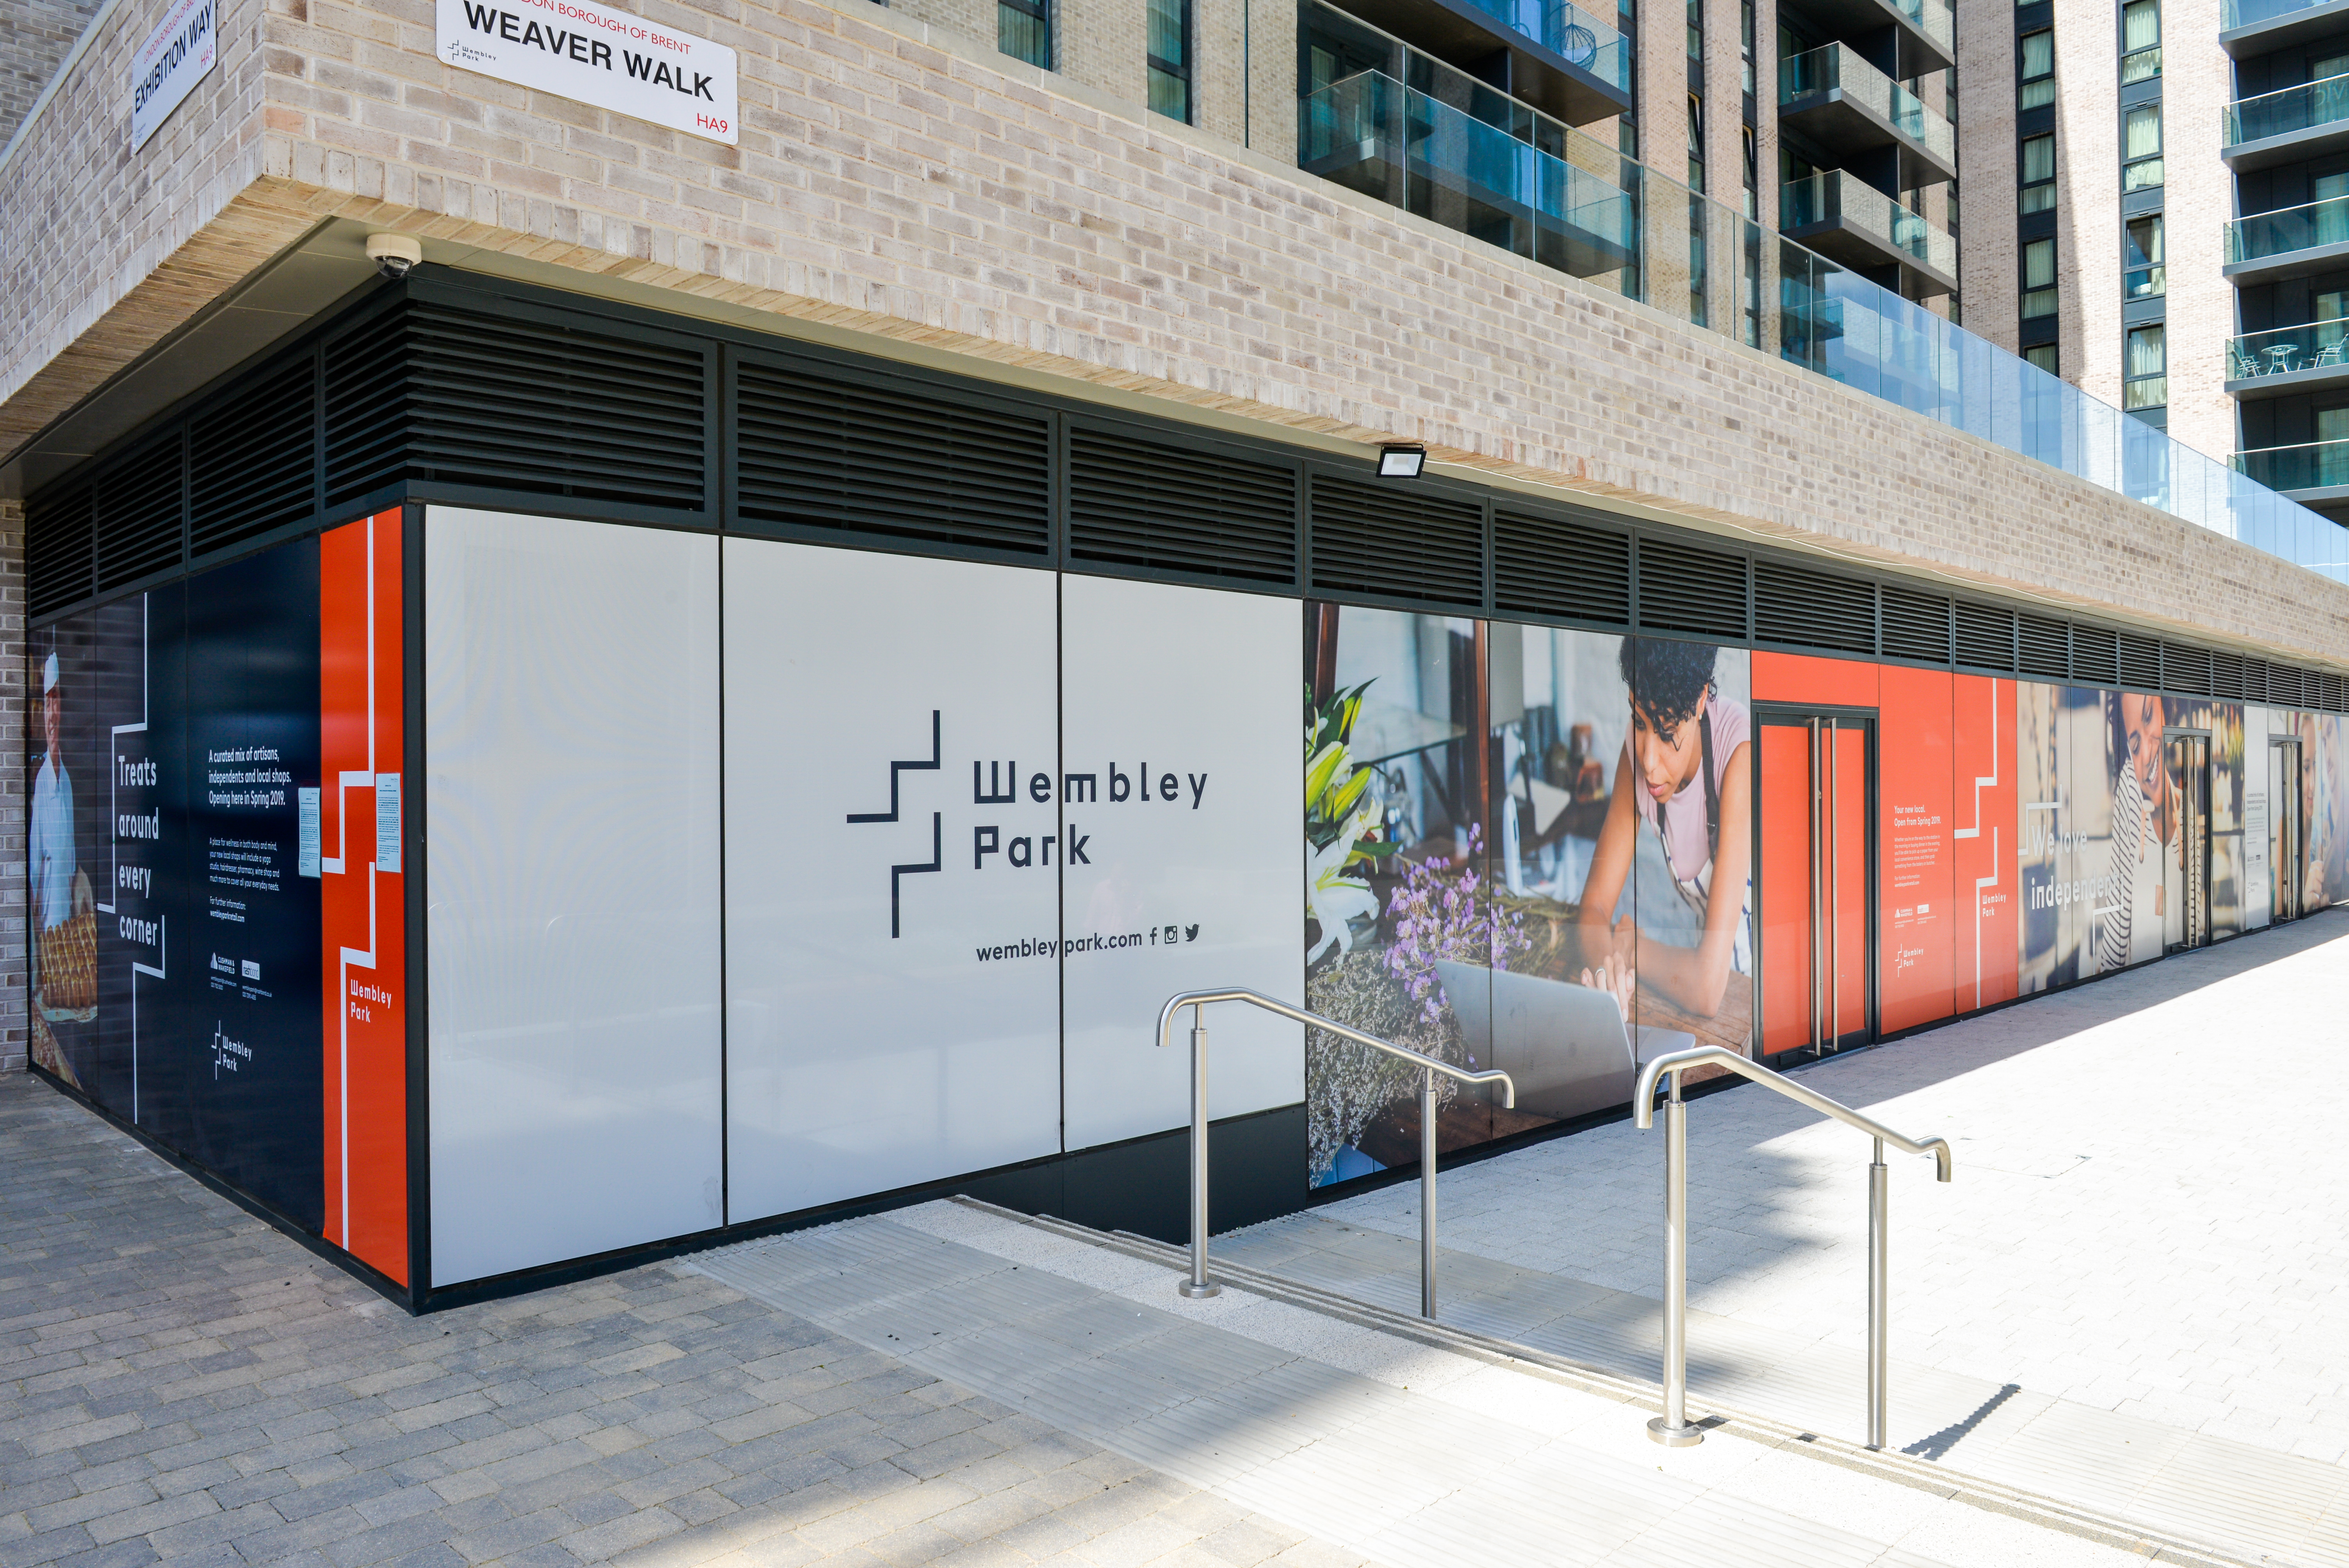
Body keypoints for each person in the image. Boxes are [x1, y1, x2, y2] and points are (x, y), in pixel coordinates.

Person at [1574, 640, 1753, 1019]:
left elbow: (1705, 989)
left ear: (1702, 699)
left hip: (1770, 989)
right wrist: (1609, 972)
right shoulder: (1638, 757)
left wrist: (1632, 948)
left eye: (1668, 730)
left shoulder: (1737, 753)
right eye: (1640, 722)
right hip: (1704, 979)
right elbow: (1593, 906)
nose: (1649, 762)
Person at [2098, 690, 2169, 971]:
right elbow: (2114, 945)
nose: (2148, 752)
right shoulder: (2131, 787)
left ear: (2167, 710)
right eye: (2136, 745)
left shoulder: (2184, 804)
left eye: (2149, 716)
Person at [30, 651, 78, 960]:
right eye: (47, 704)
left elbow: (70, 861)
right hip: (47, 936)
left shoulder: (68, 783)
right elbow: (36, 871)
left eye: (56, 701)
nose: (52, 715)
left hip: (68, 936)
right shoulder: (41, 782)